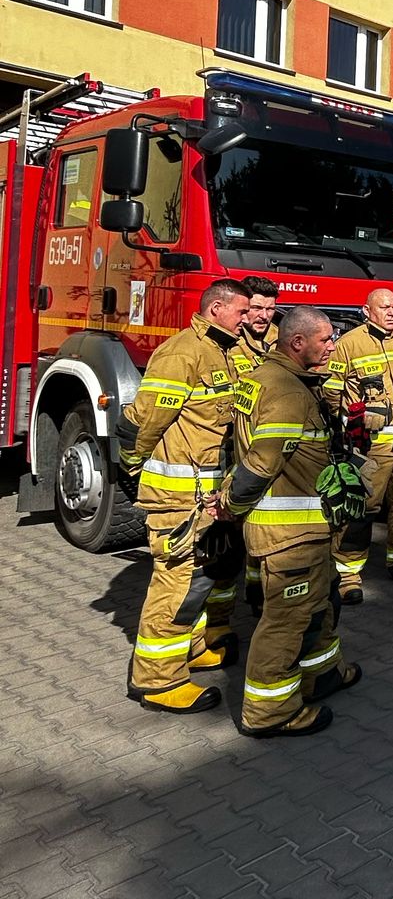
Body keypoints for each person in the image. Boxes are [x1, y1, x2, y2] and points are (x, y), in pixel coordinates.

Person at [220, 305, 360, 737]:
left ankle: (321, 675)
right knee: (285, 622)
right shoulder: (287, 393)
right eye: (325, 339)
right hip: (289, 535)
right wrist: (229, 506)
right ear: (297, 343)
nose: (333, 346)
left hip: (306, 532)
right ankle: (269, 713)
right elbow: (260, 465)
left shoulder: (267, 378)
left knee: (319, 605)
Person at [117, 279, 250, 713]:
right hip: (178, 498)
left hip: (205, 496)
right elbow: (144, 421)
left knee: (198, 580)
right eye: (241, 311)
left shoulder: (222, 350)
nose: (247, 318)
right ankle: (158, 682)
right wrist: (132, 468)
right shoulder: (182, 353)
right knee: (175, 583)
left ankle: (190, 649)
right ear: (216, 309)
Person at [326, 287, 393, 598]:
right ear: (366, 311)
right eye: (384, 307)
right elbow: (331, 393)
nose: (391, 313)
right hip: (370, 447)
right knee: (361, 512)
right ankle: (347, 576)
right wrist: (347, 426)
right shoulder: (348, 345)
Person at [228, 276, 281, 624]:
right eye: (257, 308)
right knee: (236, 530)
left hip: (272, 447)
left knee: (266, 526)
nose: (263, 316)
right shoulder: (229, 344)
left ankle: (258, 593)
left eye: (270, 309)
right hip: (235, 448)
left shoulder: (283, 340)